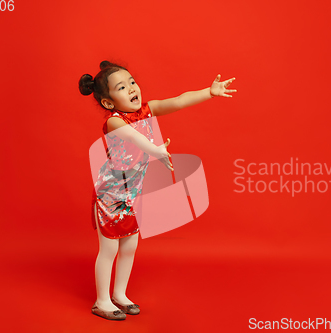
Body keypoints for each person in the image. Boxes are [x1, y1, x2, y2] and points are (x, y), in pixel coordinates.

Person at [78, 60, 236, 321]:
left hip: (134, 193)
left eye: (132, 82)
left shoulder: (146, 110)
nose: (131, 88)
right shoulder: (114, 122)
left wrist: (209, 92)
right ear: (108, 102)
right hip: (112, 196)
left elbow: (178, 101)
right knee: (109, 250)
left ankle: (120, 294)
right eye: (121, 87)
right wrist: (156, 150)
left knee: (129, 246)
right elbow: (133, 137)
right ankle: (101, 301)